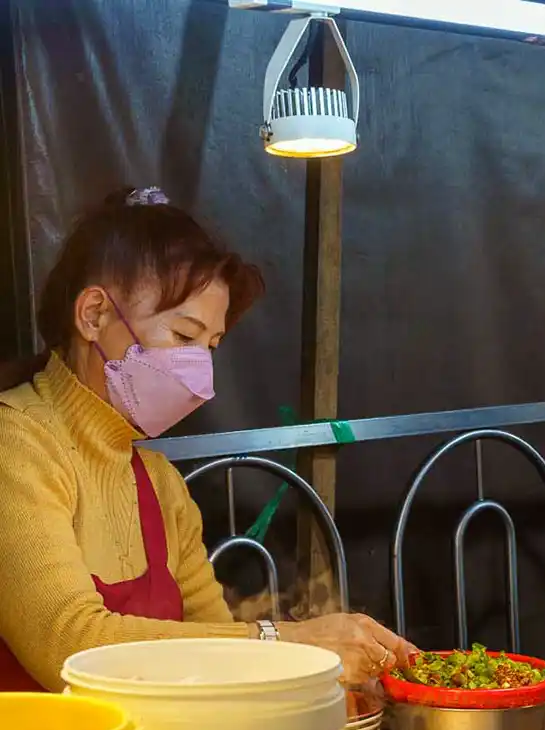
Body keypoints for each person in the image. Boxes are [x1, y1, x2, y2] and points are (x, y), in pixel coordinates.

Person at [0, 188, 415, 690]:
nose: (201, 371)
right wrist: (288, 642)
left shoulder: (160, 483)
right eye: (183, 336)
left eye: (210, 345)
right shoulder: (16, 443)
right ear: (93, 315)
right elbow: (69, 644)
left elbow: (211, 648)